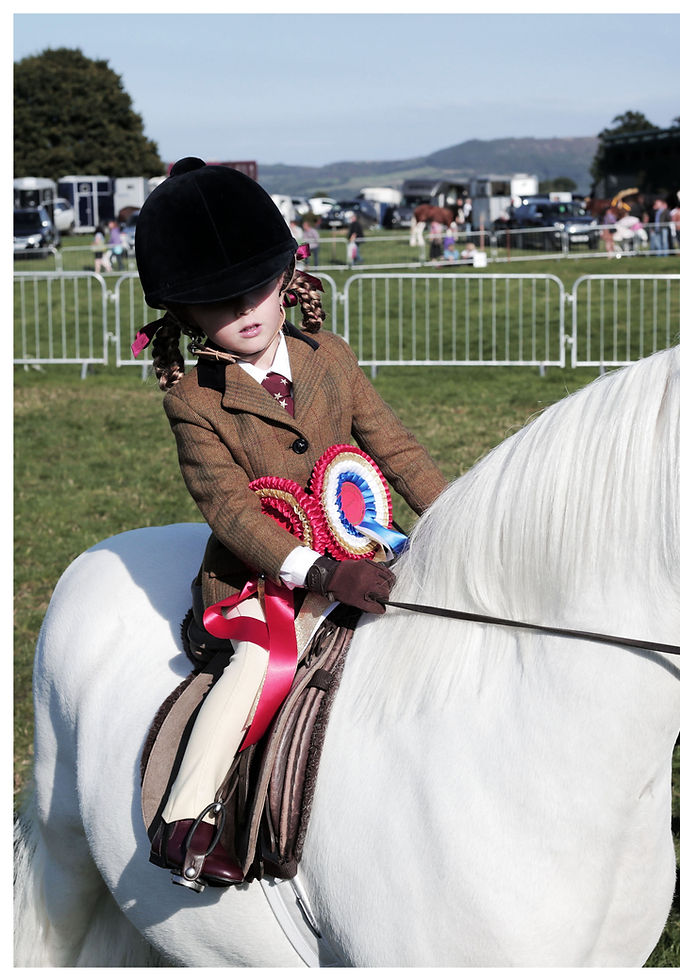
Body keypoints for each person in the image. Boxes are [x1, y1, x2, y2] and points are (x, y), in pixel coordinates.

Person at [131, 158, 447, 886]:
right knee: (253, 668)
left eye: (257, 288)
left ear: (286, 277)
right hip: (265, 583)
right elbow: (231, 509)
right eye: (218, 302)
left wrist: (457, 517)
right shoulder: (195, 403)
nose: (244, 309)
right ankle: (188, 817)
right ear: (186, 314)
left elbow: (394, 447)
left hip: (369, 545)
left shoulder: (329, 356)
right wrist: (322, 571)